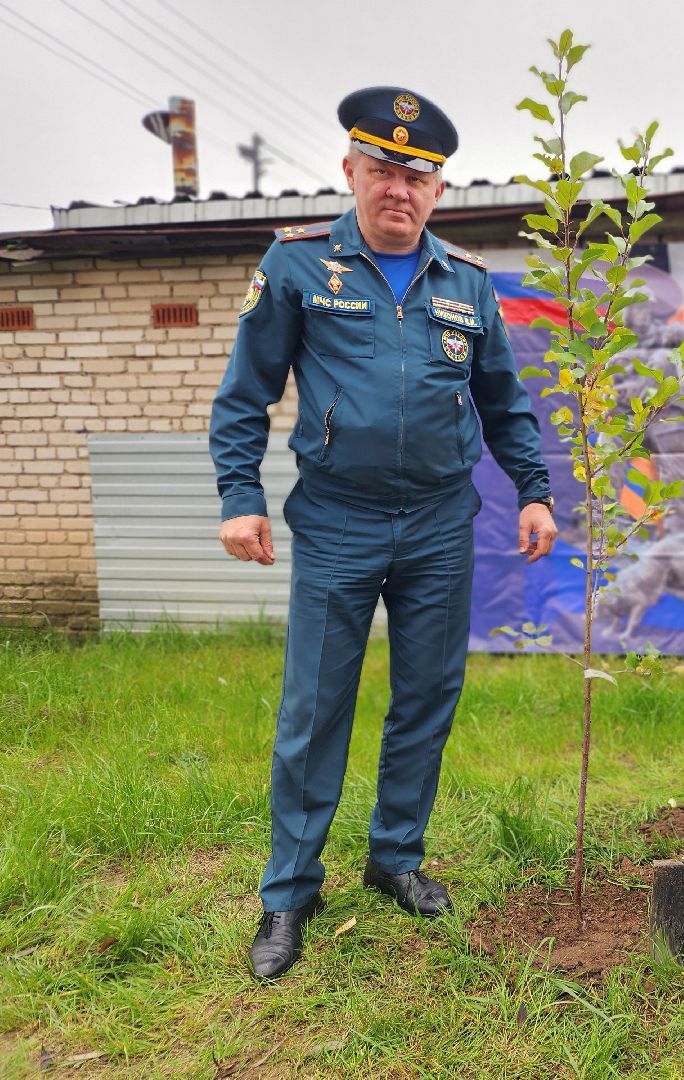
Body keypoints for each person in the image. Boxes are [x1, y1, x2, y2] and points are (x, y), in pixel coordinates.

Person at [209, 86, 557, 981]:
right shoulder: (296, 266)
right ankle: (289, 893)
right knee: (315, 706)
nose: (398, 188)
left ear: (439, 190)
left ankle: (395, 856)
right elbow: (246, 394)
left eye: (418, 176)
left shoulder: (469, 284)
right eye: (384, 171)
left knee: (426, 698)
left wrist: (533, 491)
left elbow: (504, 405)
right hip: (336, 520)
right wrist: (238, 496)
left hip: (443, 523)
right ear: (351, 172)